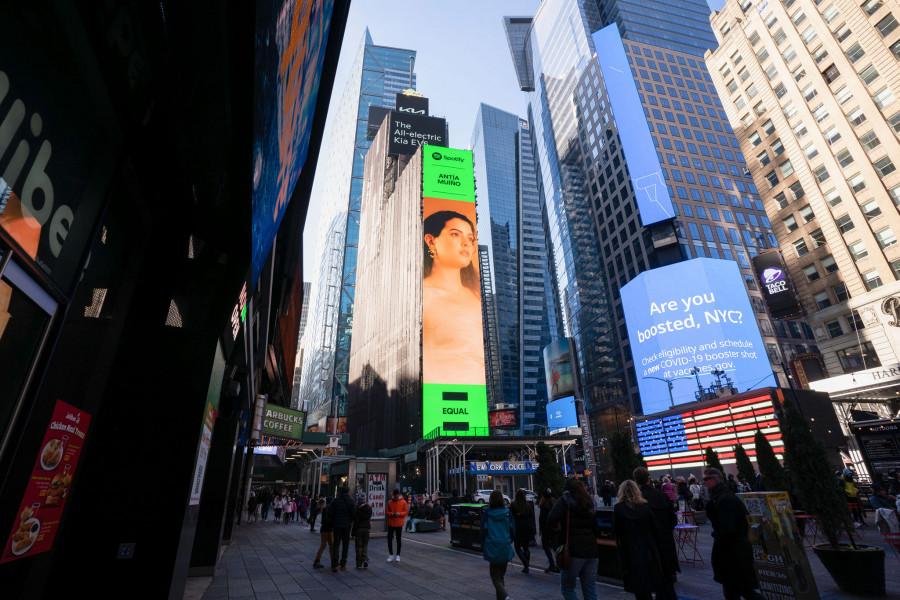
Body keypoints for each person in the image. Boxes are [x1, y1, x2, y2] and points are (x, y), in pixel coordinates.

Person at [422, 210, 485, 386]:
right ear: (431, 241)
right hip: (437, 396)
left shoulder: (476, 296)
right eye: (456, 234)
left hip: (475, 398)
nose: (466, 243)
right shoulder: (423, 295)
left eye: (470, 238)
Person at [704, 467, 761, 600]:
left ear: (716, 479)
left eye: (707, 479)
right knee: (739, 590)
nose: (704, 482)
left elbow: (729, 528)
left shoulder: (725, 499)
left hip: (733, 552)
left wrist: (718, 536)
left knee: (741, 590)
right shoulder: (721, 497)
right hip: (731, 552)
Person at [549, 478, 603, 600]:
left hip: (573, 550)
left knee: (568, 588)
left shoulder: (564, 501)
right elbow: (596, 527)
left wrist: (558, 527)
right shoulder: (589, 502)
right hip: (591, 551)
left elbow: (551, 519)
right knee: (590, 589)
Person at [614, 480, 666, 600]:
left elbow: (617, 532)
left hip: (630, 549)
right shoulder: (645, 507)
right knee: (649, 582)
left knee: (638, 586)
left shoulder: (619, 508)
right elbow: (655, 528)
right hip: (648, 547)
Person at [634, 467, 678, 600]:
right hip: (666, 543)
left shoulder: (637, 499)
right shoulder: (663, 496)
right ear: (649, 479)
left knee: (647, 586)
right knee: (667, 585)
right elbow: (673, 520)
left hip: (647, 547)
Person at [481, 489, 515, 600]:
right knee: (500, 576)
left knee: (495, 577)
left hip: (492, 546)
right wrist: (509, 541)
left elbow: (483, 531)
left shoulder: (486, 513)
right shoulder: (507, 513)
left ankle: (506, 597)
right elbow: (512, 530)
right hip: (505, 545)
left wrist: (483, 544)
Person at [330, 486, 356, 572]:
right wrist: (349, 521)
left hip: (337, 525)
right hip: (346, 526)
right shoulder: (351, 501)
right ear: (348, 491)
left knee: (336, 545)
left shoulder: (336, 501)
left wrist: (334, 521)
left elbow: (331, 513)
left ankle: (334, 565)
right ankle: (343, 564)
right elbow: (353, 515)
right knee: (345, 545)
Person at [510, 488, 536, 573]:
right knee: (526, 546)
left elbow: (510, 516)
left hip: (518, 527)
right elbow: (531, 515)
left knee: (517, 547)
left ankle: (525, 562)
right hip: (527, 526)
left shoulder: (513, 504)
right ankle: (526, 564)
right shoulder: (527, 504)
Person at [539, 489, 560, 574]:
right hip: (555, 528)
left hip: (547, 529)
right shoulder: (554, 503)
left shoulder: (544, 505)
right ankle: (558, 565)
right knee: (555, 547)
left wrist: (541, 528)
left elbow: (542, 519)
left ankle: (552, 564)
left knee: (546, 546)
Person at [386, 489, 408, 563]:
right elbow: (386, 512)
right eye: (394, 497)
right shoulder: (389, 502)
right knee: (389, 539)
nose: (395, 498)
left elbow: (406, 512)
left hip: (398, 523)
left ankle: (398, 554)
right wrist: (391, 514)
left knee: (398, 539)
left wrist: (400, 514)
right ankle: (391, 554)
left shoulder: (403, 502)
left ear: (398, 495)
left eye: (396, 496)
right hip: (391, 523)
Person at [352, 494, 372, 569]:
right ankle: (365, 559)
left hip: (359, 529)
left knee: (358, 546)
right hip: (367, 528)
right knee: (365, 544)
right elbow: (368, 517)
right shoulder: (369, 508)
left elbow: (356, 522)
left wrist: (353, 533)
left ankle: (359, 563)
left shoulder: (357, 509)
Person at [312, 499, 333, 569]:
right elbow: (326, 520)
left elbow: (323, 520)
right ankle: (333, 561)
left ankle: (317, 560)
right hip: (328, 529)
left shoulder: (325, 509)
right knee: (330, 545)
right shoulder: (329, 509)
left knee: (325, 545)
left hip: (324, 529)